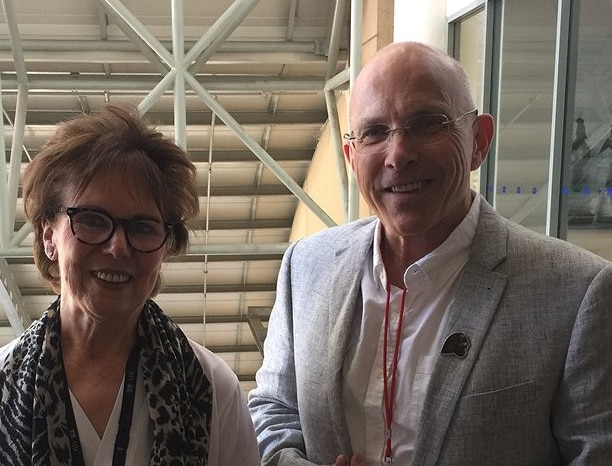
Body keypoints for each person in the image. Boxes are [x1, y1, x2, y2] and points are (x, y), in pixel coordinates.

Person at [248, 41, 612, 465]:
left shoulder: (577, 293)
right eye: (374, 132)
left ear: (479, 140)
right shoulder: (305, 266)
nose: (398, 155)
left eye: (426, 123)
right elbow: (274, 410)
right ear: (351, 156)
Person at [0, 105, 261, 465]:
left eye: (142, 227)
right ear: (48, 236)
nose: (118, 246)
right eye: (91, 219)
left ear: (165, 246)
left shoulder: (211, 390)